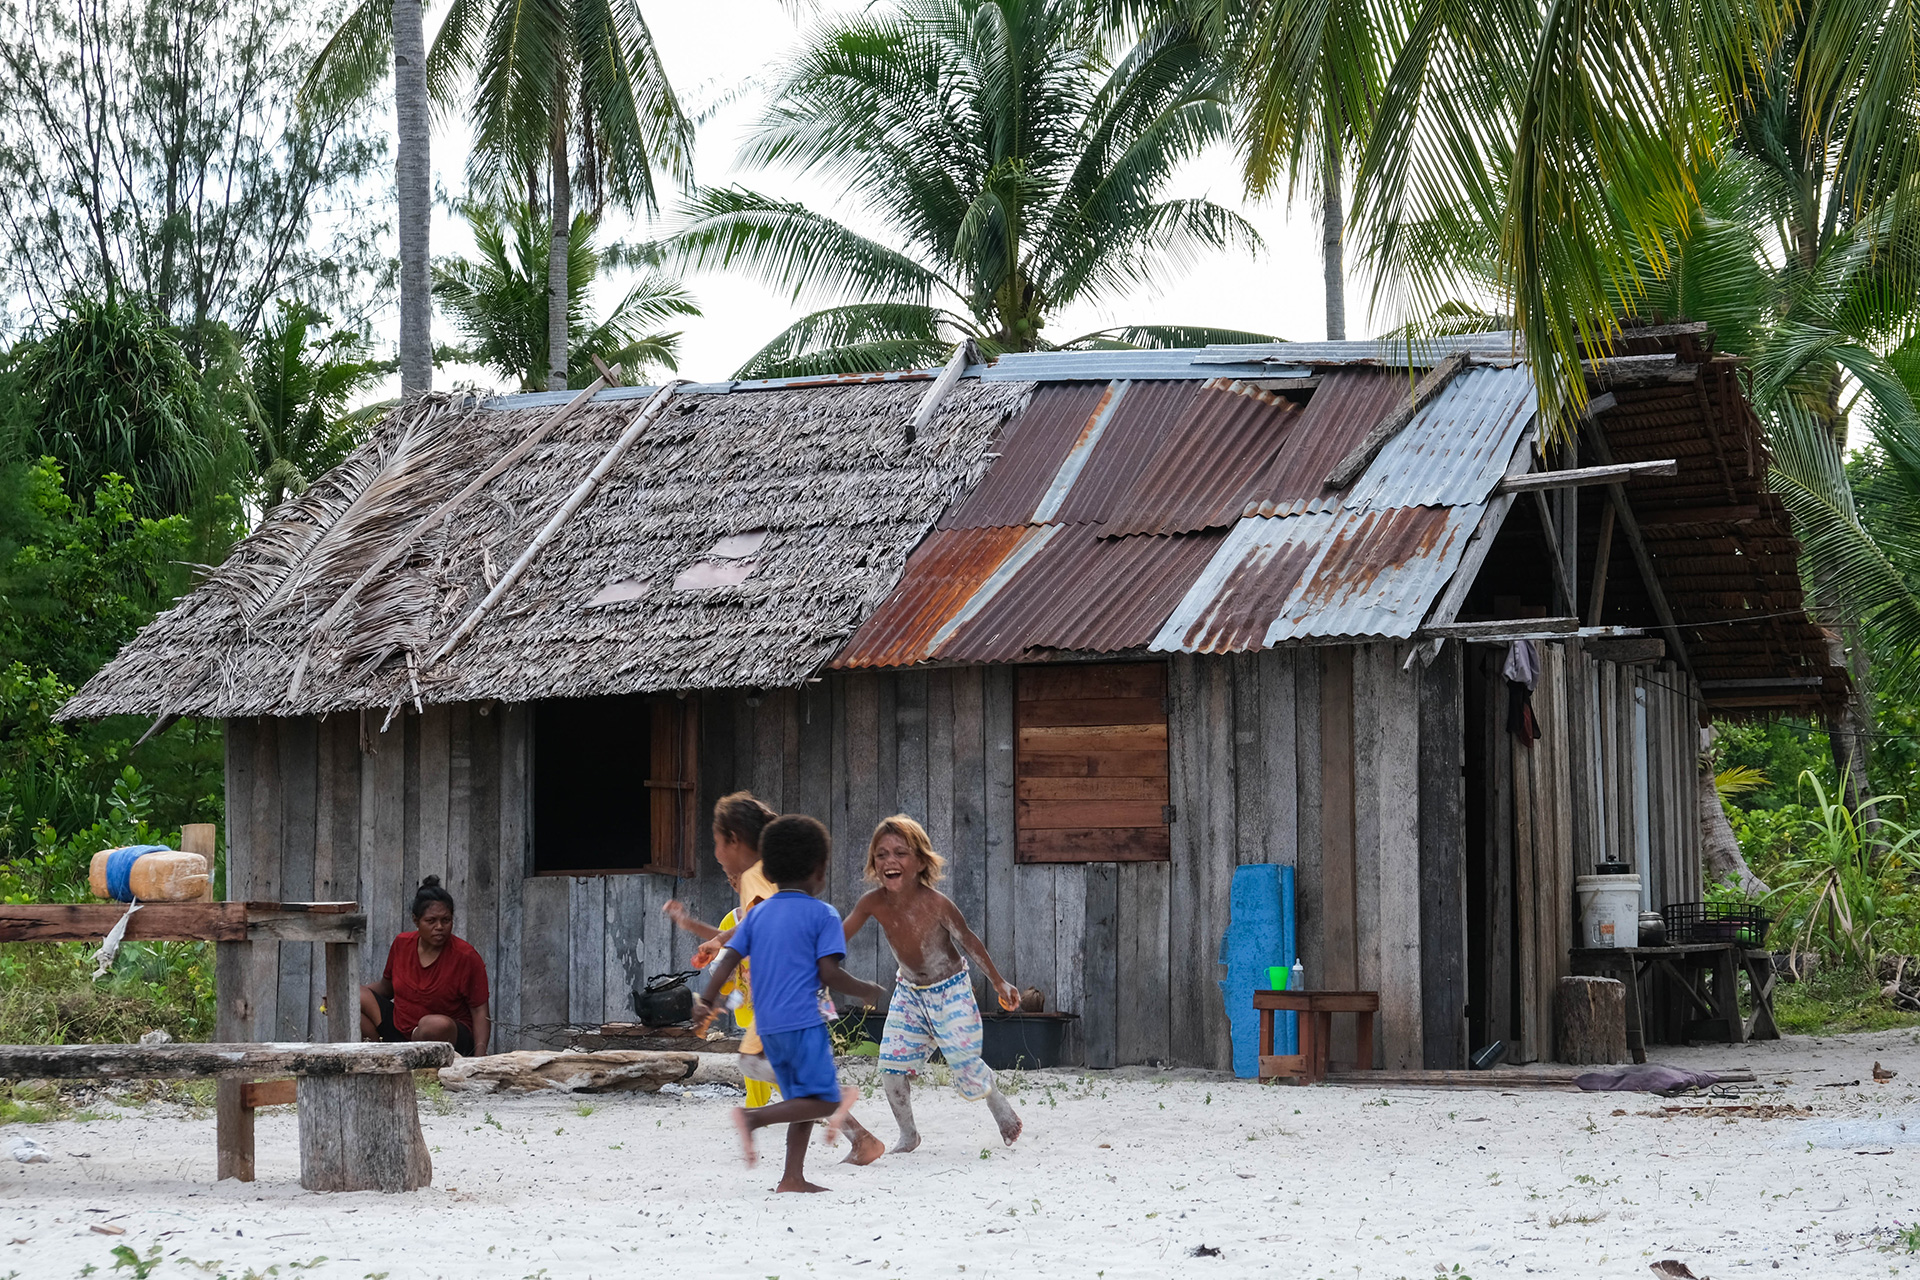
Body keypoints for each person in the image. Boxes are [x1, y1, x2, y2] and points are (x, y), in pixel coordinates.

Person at [693, 815, 887, 1193]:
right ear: (819, 870)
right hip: (803, 1025)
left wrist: (706, 999)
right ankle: (753, 1119)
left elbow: (729, 957)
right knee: (826, 1099)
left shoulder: (758, 913)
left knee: (802, 1098)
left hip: (766, 1027)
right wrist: (864, 989)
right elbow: (829, 974)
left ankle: (792, 1177)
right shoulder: (823, 914)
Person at [841, 815, 1022, 1151]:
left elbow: (968, 940)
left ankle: (999, 1107)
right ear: (873, 862)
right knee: (891, 1067)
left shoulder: (937, 904)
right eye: (881, 854)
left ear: (921, 861)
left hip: (950, 991)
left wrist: (999, 983)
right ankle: (909, 1134)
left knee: (965, 1067)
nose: (890, 861)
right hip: (909, 993)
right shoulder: (872, 903)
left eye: (900, 853)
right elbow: (839, 938)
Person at [663, 793, 780, 1108]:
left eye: (719, 844)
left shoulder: (766, 885)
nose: (731, 879)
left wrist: (716, 947)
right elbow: (728, 935)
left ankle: (809, 1102)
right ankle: (792, 1104)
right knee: (756, 1059)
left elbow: (753, 925)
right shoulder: (737, 913)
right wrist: (690, 925)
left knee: (761, 1057)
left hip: (777, 993)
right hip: (753, 999)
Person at [360, 876, 490, 1056]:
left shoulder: (466, 956)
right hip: (402, 1031)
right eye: (431, 921)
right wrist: (340, 997)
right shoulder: (401, 944)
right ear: (416, 920)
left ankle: (419, 1064)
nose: (439, 927)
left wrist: (479, 1058)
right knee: (353, 997)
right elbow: (385, 988)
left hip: (445, 1038)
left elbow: (479, 1010)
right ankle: (379, 1061)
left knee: (434, 1025)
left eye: (446, 920)